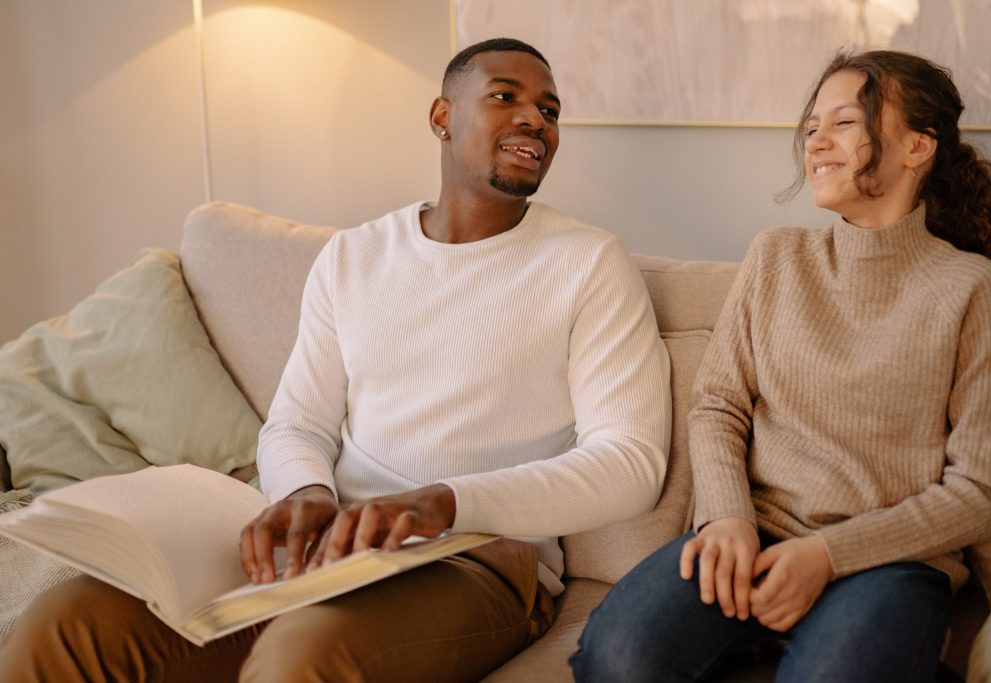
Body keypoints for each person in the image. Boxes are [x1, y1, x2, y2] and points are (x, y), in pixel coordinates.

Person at [0, 38, 671, 682]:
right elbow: (296, 423)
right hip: (331, 544)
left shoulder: (588, 263)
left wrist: (445, 501)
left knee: (301, 654)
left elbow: (630, 463)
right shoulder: (355, 257)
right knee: (66, 621)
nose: (535, 119)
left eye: (550, 110)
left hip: (478, 558)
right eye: (506, 96)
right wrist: (306, 492)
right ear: (442, 117)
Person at [570, 49, 991, 682]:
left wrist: (828, 556)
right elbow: (717, 404)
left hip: (889, 564)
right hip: (752, 538)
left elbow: (983, 493)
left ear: (918, 146)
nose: (816, 141)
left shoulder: (976, 290)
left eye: (844, 121)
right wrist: (726, 518)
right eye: (812, 126)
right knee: (615, 658)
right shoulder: (776, 257)